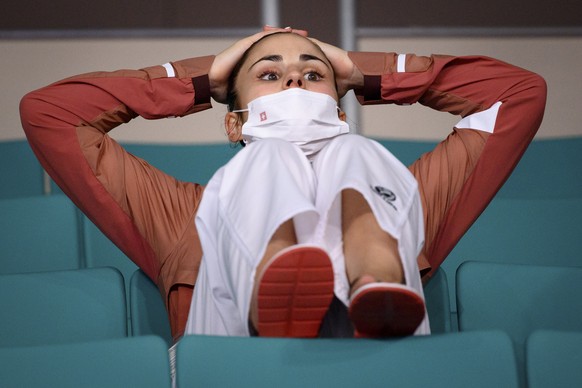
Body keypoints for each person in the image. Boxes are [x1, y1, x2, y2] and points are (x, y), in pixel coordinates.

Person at [19, 27, 547, 342]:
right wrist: (202, 79)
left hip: (375, 368)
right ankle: (271, 269)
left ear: (339, 112)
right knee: (267, 161)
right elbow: (51, 114)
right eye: (269, 75)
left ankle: (374, 266)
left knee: (356, 154)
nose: (295, 80)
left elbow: (518, 94)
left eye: (314, 74)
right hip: (235, 367)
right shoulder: (183, 215)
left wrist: (362, 73)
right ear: (235, 122)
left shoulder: (400, 189)